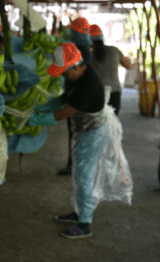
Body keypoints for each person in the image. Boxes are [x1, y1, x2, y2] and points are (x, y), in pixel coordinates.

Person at [28, 43, 109, 239]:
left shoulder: (90, 82)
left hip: (93, 132)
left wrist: (42, 119)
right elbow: (67, 98)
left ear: (76, 67)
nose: (63, 76)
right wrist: (49, 105)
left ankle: (85, 223)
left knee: (84, 175)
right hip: (83, 129)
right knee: (79, 174)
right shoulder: (76, 76)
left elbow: (68, 111)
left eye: (64, 72)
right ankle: (79, 212)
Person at [57, 17, 94, 176]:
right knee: (78, 134)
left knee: (76, 134)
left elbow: (73, 75)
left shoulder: (78, 51)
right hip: (78, 96)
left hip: (77, 98)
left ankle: (74, 165)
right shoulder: (86, 49)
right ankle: (77, 164)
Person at [90, 24, 132, 115]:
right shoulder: (114, 50)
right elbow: (128, 65)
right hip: (114, 92)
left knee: (98, 122)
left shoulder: (90, 55)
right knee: (113, 121)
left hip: (98, 94)